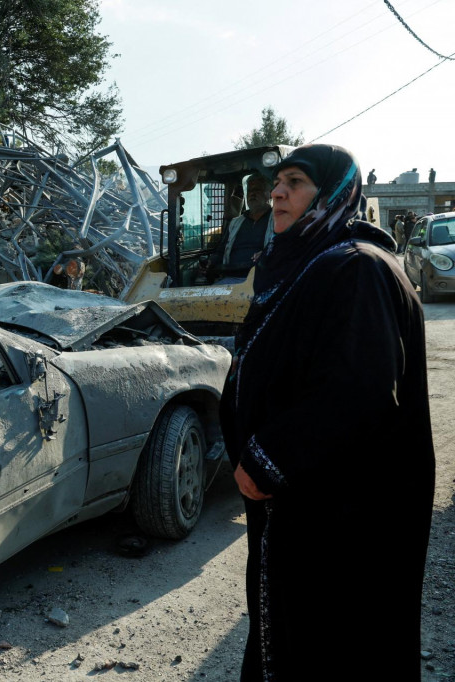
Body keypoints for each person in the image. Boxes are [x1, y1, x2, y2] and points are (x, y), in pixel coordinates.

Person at [220, 144, 434, 681]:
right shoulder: (310, 262)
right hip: (310, 508)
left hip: (342, 519)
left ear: (336, 193)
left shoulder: (355, 268)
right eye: (277, 184)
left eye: (296, 182)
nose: (278, 193)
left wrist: (268, 458)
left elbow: (358, 391)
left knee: (336, 646)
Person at [203, 174, 271, 282]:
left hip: (262, 277)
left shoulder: (278, 220)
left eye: (257, 189)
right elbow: (221, 251)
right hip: (230, 276)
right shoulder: (235, 223)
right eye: (249, 191)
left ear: (269, 194)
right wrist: (212, 261)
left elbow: (283, 247)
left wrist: (267, 253)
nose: (252, 194)